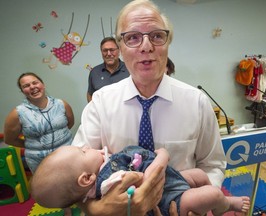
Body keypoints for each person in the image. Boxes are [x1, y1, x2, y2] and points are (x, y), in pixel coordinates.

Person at [72, 0, 228, 215]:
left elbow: (213, 164)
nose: (146, 46)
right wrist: (98, 209)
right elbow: (75, 176)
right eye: (133, 37)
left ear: (167, 43)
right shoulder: (100, 103)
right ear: (121, 48)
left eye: (156, 36)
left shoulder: (197, 102)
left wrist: (201, 205)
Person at [30, 145, 250, 216]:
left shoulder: (100, 169)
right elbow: (146, 180)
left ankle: (209, 206)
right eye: (83, 151)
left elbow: (214, 163)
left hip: (172, 179)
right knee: (211, 194)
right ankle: (224, 205)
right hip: (169, 199)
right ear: (87, 178)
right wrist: (161, 156)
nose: (88, 147)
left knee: (201, 175)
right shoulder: (108, 181)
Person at [4, 72, 75, 174]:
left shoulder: (61, 104)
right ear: (23, 91)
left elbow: (70, 123)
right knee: (50, 189)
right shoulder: (17, 114)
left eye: (35, 83)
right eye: (26, 86)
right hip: (40, 162)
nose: (32, 87)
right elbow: (9, 139)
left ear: (43, 84)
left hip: (68, 155)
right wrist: (34, 145)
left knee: (75, 184)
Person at [87, 37, 130, 102]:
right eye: (105, 50)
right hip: (102, 112)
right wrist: (94, 110)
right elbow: (90, 94)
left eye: (112, 50)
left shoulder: (130, 70)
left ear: (119, 50)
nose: (109, 54)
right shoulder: (94, 72)